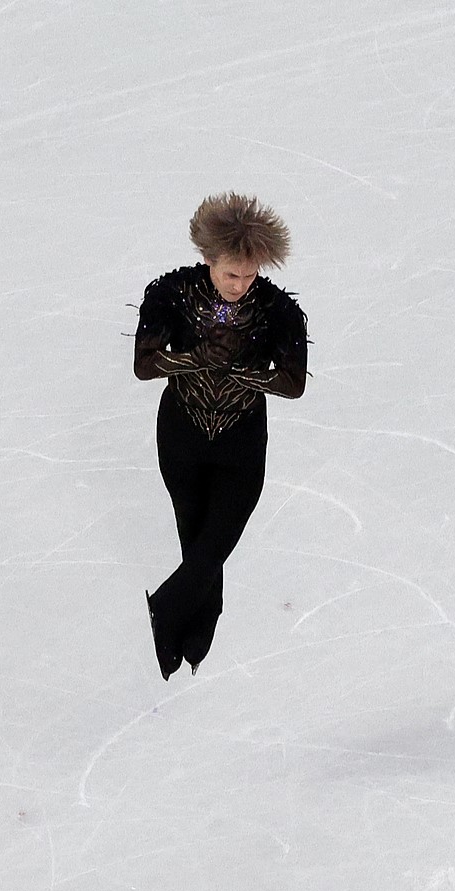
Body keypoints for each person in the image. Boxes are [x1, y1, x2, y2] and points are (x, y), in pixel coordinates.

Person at [134, 193, 309, 679]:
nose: (240, 285)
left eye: (249, 275)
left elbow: (293, 385)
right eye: (231, 273)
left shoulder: (277, 310)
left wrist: (241, 373)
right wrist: (196, 361)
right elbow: (144, 366)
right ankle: (191, 642)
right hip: (181, 436)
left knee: (214, 547)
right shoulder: (170, 295)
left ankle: (166, 612)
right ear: (207, 259)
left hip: (241, 444)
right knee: (195, 541)